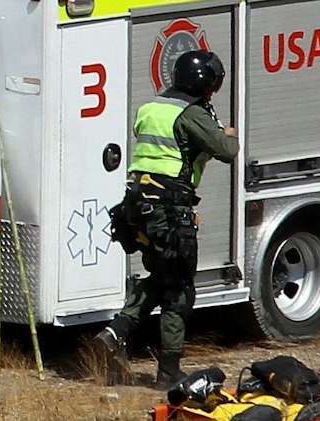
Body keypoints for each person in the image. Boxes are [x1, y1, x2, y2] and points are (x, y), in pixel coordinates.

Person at [93, 50, 239, 389]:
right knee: (179, 288)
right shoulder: (192, 114)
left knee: (160, 277)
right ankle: (169, 370)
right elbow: (227, 151)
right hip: (169, 210)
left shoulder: (150, 108)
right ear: (205, 84)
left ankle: (115, 332)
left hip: (137, 208)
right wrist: (228, 133)